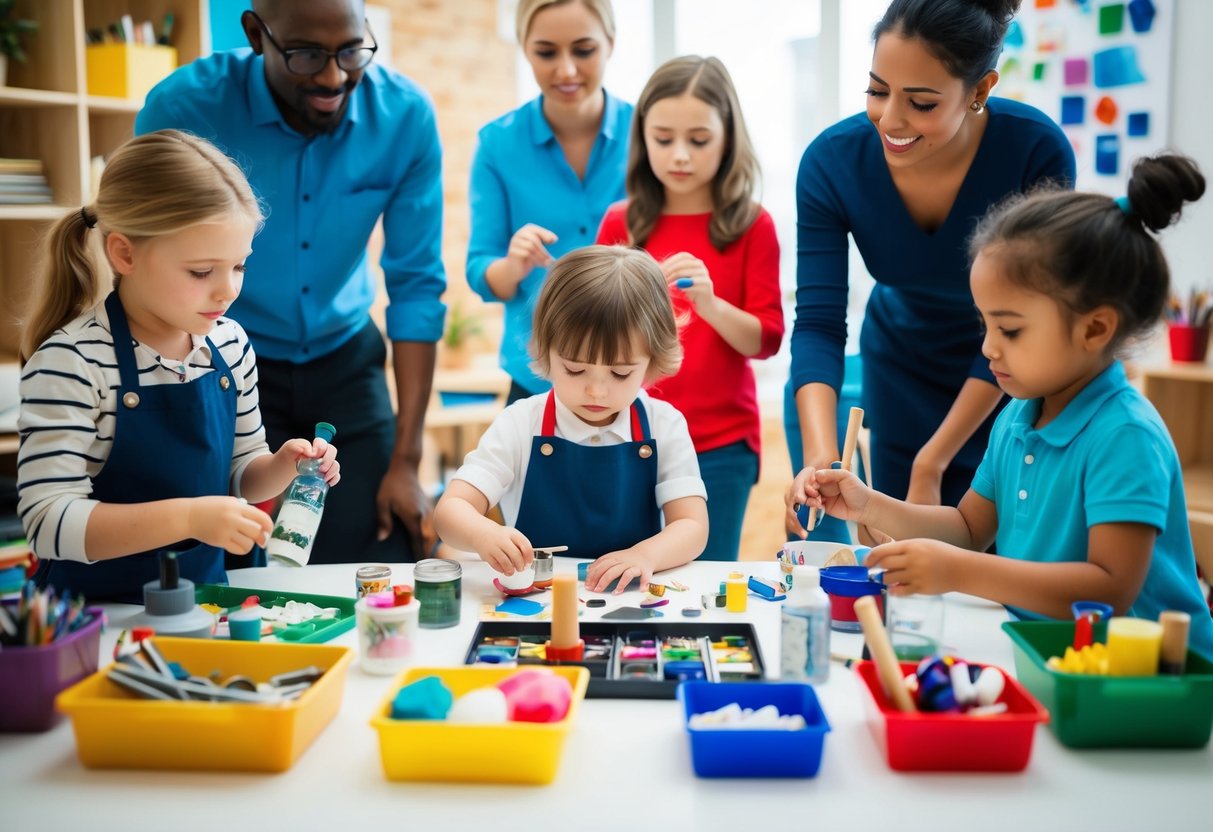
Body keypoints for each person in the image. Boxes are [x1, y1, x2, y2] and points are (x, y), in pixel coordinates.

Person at [790, 153, 1213, 658]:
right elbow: (969, 529)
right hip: (1057, 658)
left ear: (1094, 328)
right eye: (984, 325)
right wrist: (868, 504)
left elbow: (1108, 590)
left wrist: (958, 571)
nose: (988, 347)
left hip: (1151, 682)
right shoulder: (1018, 414)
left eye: (1009, 329)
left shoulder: (1125, 435)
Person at [134, 0, 443, 564]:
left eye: (352, 50)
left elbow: (417, 286)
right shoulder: (183, 108)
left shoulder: (405, 118)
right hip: (217, 359)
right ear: (256, 34)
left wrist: (407, 462)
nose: (332, 76)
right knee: (222, 560)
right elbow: (143, 262)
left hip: (345, 359)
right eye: (305, 55)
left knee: (378, 550)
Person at [787, 0, 1075, 542]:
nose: (890, 120)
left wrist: (934, 461)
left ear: (979, 91)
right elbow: (820, 322)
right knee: (902, 570)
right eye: (877, 91)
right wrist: (822, 463)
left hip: (1009, 372)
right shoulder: (831, 163)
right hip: (899, 362)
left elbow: (1026, 318)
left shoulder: (1034, 151)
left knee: (999, 560)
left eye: (920, 102)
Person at [17, 130, 340, 603]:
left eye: (239, 266)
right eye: (201, 271)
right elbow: (47, 522)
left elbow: (240, 475)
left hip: (204, 605)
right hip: (97, 621)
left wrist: (281, 466)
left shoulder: (228, 344)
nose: (228, 291)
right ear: (125, 253)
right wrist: (189, 519)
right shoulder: (73, 362)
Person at [433, 246, 708, 593]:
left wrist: (645, 556)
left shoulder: (664, 425)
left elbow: (693, 526)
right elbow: (449, 512)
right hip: (539, 598)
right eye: (575, 369)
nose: (596, 391)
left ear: (652, 361)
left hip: (631, 599)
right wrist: (483, 533)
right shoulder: (521, 422)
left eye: (620, 373)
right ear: (546, 349)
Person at [596, 56, 782, 561]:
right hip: (629, 438)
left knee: (705, 583)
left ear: (727, 138)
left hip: (720, 446)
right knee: (623, 575)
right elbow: (595, 336)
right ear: (642, 138)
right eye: (663, 139)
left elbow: (766, 340)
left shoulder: (752, 224)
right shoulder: (622, 221)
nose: (680, 155)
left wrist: (709, 303)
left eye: (698, 140)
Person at [467, 0, 633, 404]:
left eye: (583, 50)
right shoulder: (497, 144)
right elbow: (479, 267)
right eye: (546, 52)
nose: (566, 70)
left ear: (610, 43)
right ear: (524, 47)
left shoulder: (649, 135)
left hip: (632, 373)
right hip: (536, 379)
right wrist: (512, 266)